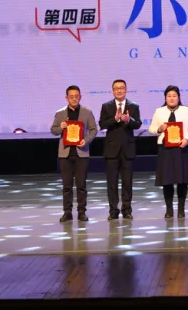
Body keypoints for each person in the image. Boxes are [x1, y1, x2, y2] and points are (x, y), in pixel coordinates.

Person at [50, 85, 99, 223]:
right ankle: (67, 212)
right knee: (67, 186)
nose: (74, 99)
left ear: (80, 97)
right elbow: (53, 130)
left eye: (76, 96)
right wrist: (61, 128)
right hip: (65, 154)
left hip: (81, 153)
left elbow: (93, 129)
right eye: (71, 96)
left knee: (81, 185)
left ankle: (82, 212)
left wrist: (86, 140)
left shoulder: (87, 112)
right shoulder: (60, 113)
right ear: (67, 98)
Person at [148, 85, 188, 218]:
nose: (171, 98)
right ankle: (169, 210)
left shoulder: (186, 110)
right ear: (165, 98)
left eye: (174, 96)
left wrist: (187, 139)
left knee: (182, 180)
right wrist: (159, 129)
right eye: (169, 96)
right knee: (167, 180)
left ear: (178, 97)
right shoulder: (159, 111)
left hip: (182, 148)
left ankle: (181, 210)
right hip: (166, 149)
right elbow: (151, 129)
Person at [98, 79, 142, 220]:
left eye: (121, 88)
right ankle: (113, 211)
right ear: (112, 90)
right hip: (111, 150)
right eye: (116, 88)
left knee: (127, 182)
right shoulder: (106, 106)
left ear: (126, 89)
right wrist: (115, 119)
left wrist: (129, 120)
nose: (119, 90)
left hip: (128, 149)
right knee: (112, 183)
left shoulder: (133, 106)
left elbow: (138, 124)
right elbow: (102, 124)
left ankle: (127, 210)